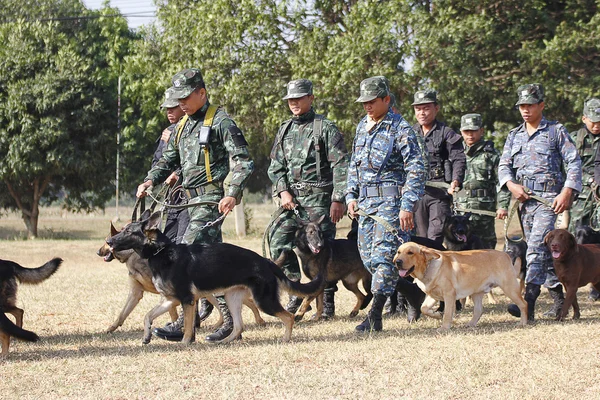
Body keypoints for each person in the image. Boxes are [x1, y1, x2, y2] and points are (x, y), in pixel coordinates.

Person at [136, 68, 254, 342]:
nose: (181, 104)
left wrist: (232, 192)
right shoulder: (182, 126)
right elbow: (168, 160)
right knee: (212, 264)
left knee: (184, 257)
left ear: (202, 93)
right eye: (178, 100)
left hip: (211, 199)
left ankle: (190, 323)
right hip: (188, 201)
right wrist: (150, 180)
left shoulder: (221, 122)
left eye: (186, 98)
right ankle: (224, 321)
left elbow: (244, 160)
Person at [347, 76, 426, 332]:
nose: (367, 106)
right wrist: (350, 195)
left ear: (386, 100)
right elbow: (353, 165)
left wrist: (407, 205)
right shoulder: (362, 126)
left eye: (372, 101)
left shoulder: (400, 128)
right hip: (366, 205)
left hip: (391, 203)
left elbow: (416, 167)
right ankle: (413, 294)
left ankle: (375, 316)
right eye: (364, 102)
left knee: (383, 257)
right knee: (370, 259)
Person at [498, 83, 582, 321]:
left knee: (535, 248)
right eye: (522, 106)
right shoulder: (514, 136)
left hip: (548, 202)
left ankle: (528, 303)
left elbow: (574, 162)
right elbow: (504, 166)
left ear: (541, 105)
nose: (525, 110)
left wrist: (566, 192)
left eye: (530, 105)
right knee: (544, 255)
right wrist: (512, 185)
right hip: (525, 204)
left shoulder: (556, 131)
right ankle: (558, 300)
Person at [267, 78, 348, 318]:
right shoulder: (285, 129)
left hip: (319, 200)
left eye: (299, 98)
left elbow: (341, 164)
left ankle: (327, 305)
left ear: (310, 98)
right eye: (290, 99)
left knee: (321, 252)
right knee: (277, 241)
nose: (294, 103)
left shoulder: (325, 128)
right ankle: (295, 288)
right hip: (291, 202)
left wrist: (338, 198)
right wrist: (283, 191)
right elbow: (275, 166)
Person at [412, 89, 466, 244]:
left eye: (426, 108)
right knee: (420, 239)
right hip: (416, 194)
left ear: (436, 108)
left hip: (439, 194)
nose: (422, 113)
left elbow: (458, 159)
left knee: (434, 238)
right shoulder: (409, 133)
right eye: (418, 109)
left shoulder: (446, 133)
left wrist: (455, 181)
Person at [455, 113, 510, 249]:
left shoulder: (492, 155)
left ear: (481, 131)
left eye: (474, 131)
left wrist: (503, 205)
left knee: (486, 251)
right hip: (461, 213)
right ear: (461, 132)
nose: (470, 135)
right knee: (461, 253)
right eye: (466, 131)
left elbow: (503, 181)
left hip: (484, 212)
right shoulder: (455, 152)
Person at [153, 87, 190, 243]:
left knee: (184, 246)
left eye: (173, 108)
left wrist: (177, 173)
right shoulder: (167, 131)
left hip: (189, 200)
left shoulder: (192, 130)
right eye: (167, 108)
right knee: (167, 245)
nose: (169, 112)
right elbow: (157, 162)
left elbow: (194, 162)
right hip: (172, 200)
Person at [569, 97, 600, 233]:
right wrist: (589, 180)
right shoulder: (574, 139)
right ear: (584, 119)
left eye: (599, 122)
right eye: (593, 122)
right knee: (576, 236)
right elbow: (568, 167)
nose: (596, 126)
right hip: (581, 197)